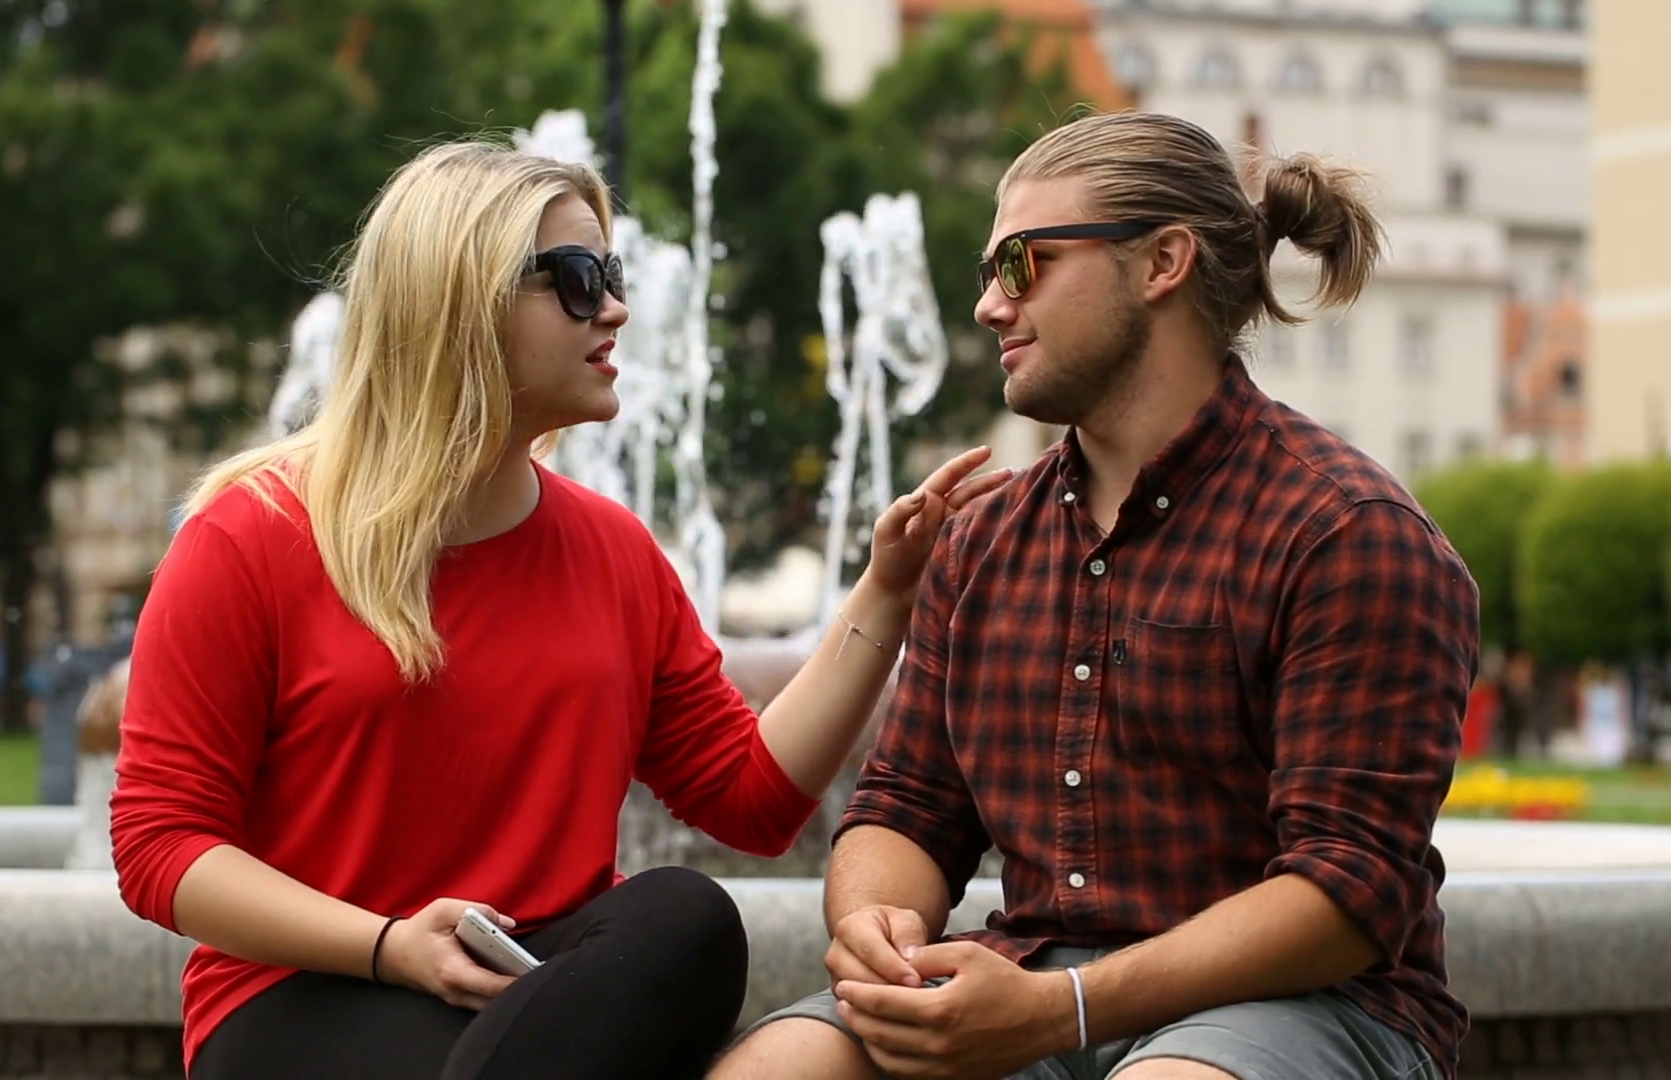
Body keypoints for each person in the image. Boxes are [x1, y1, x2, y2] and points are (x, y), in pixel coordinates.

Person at [108, 139, 1009, 1080]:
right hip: (311, 994)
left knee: (684, 916)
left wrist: (887, 592)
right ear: (461, 299)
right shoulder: (250, 536)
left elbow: (753, 802)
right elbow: (160, 845)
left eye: (613, 274)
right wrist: (388, 944)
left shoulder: (612, 551)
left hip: (543, 997)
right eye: (577, 280)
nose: (615, 307)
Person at [712, 110, 1480, 1080]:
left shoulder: (1347, 534)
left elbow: (1347, 897)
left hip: (1304, 1008)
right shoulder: (981, 543)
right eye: (987, 273)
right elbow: (907, 808)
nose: (992, 305)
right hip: (1031, 983)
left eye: (1023, 264)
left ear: (1163, 262)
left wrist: (1061, 1009)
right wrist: (877, 928)